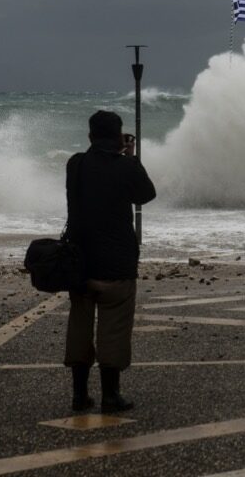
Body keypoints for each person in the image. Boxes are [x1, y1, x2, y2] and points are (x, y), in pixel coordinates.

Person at [65, 110, 156, 412]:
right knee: (113, 328)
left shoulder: (75, 165)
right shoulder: (126, 167)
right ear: (119, 138)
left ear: (90, 136)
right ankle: (110, 394)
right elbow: (146, 194)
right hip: (117, 262)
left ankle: (79, 394)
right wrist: (130, 156)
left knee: (79, 324)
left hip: (80, 261)